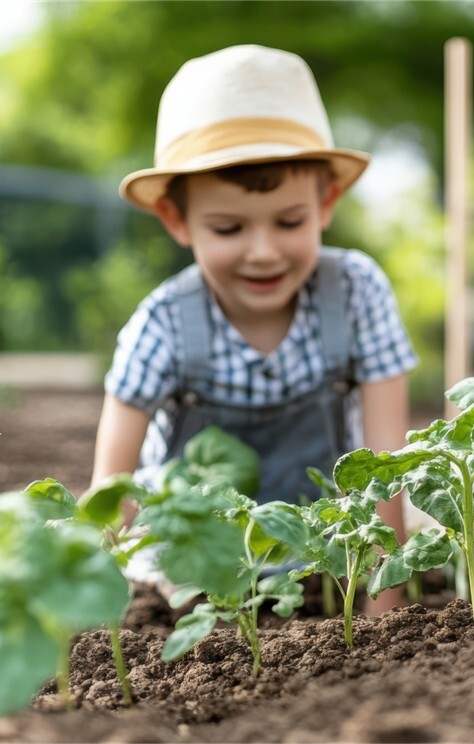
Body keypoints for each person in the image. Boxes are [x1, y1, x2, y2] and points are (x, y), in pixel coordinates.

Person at [92, 44, 418, 610]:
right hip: (191, 581)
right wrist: (100, 610)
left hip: (323, 564)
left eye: (289, 221)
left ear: (326, 203)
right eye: (227, 228)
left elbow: (383, 463)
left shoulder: (357, 292)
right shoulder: (164, 322)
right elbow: (112, 490)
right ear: (176, 218)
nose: (263, 252)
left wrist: (381, 610)